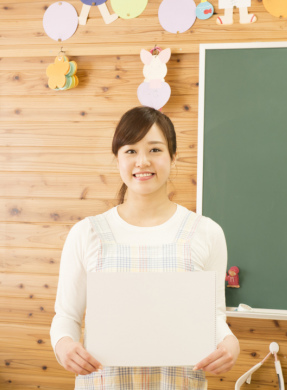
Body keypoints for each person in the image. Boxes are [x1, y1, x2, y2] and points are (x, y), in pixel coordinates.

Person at [50, 106, 240, 389]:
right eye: (130, 151)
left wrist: (229, 342)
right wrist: (64, 345)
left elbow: (212, 316)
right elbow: (67, 316)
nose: (142, 162)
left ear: (173, 157)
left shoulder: (206, 232)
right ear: (117, 159)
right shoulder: (87, 233)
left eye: (155, 150)